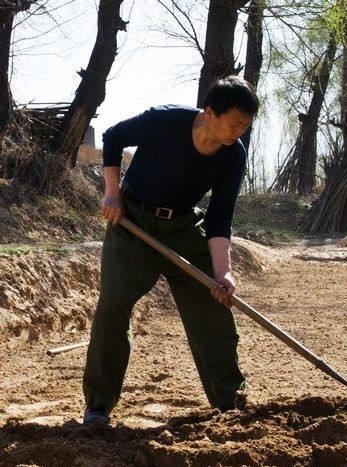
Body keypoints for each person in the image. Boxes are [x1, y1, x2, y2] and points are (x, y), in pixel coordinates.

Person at [82, 76, 260, 425]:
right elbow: (113, 137)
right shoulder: (166, 121)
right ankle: (98, 406)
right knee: (113, 306)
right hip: (133, 222)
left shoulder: (232, 156)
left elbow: (220, 217)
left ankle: (230, 401)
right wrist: (112, 193)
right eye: (235, 123)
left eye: (245, 126)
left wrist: (222, 272)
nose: (238, 133)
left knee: (213, 305)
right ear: (210, 113)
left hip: (182, 228)